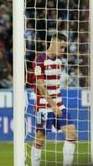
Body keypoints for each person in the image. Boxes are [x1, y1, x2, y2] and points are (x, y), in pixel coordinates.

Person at [31, 33, 77, 166]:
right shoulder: (39, 60)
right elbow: (40, 86)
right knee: (40, 139)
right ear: (54, 43)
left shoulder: (59, 61)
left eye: (64, 48)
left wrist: (57, 105)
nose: (63, 51)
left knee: (72, 134)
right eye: (62, 47)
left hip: (59, 104)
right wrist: (53, 105)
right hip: (42, 107)